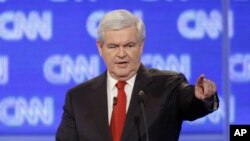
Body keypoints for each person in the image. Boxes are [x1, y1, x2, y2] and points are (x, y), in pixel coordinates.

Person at [56, 9, 219, 141]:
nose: (121, 54)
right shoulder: (78, 98)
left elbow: (189, 102)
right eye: (113, 46)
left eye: (129, 45)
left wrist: (202, 98)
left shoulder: (168, 86)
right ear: (100, 48)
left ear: (141, 46)